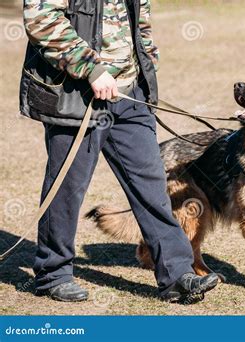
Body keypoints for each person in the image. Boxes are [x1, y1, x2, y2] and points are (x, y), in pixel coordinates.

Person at [20, 0, 218, 303]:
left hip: (130, 94)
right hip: (78, 94)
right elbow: (41, 17)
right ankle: (53, 273)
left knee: (152, 187)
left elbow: (141, 22)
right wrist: (92, 69)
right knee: (68, 187)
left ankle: (177, 275)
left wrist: (146, 64)